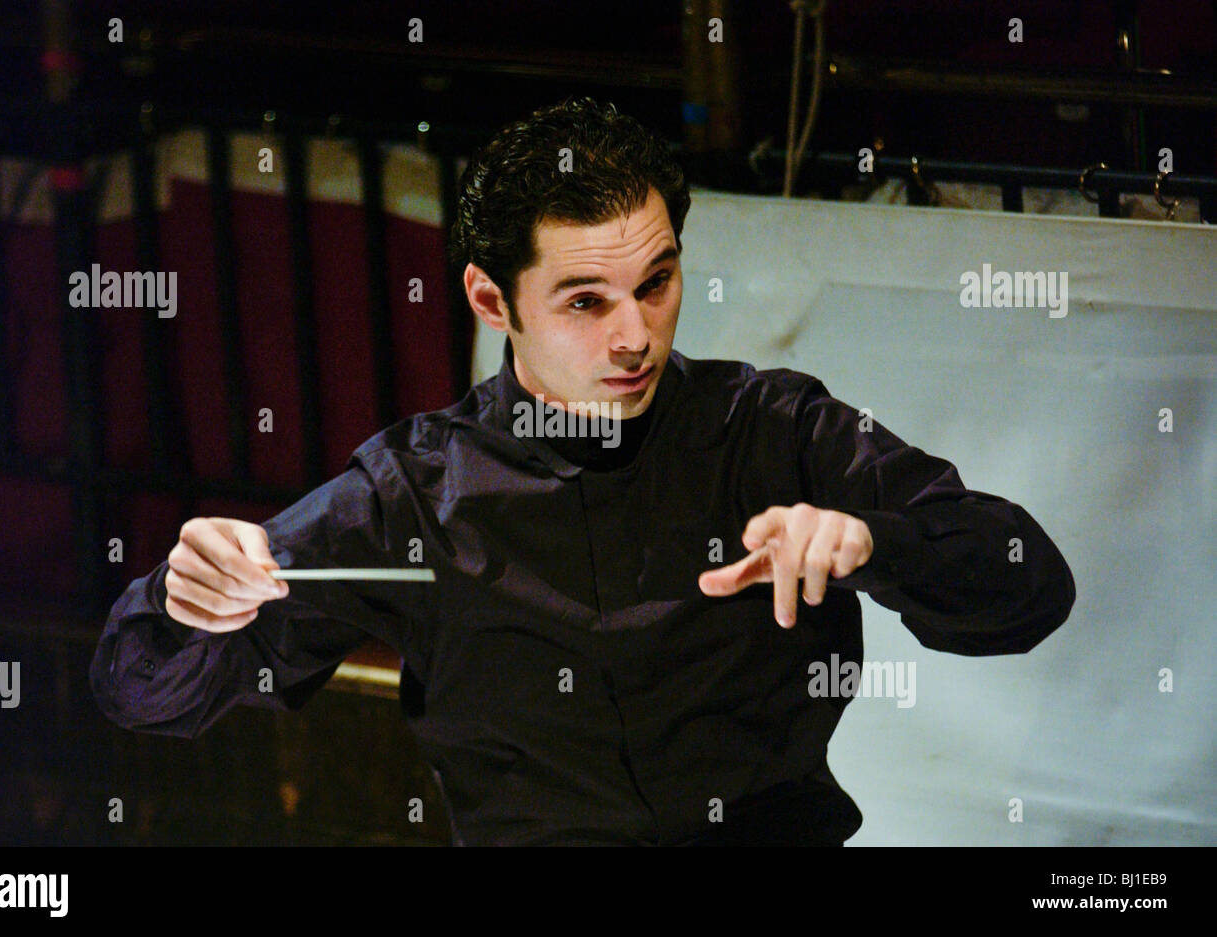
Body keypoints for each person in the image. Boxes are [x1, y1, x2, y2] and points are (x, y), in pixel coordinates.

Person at [90, 96, 1077, 846]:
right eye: (583, 302)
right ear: (490, 298)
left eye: (656, 283)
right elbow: (141, 694)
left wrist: (874, 541)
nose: (634, 334)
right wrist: (185, 603)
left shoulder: (771, 428)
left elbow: (1028, 584)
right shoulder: (416, 493)